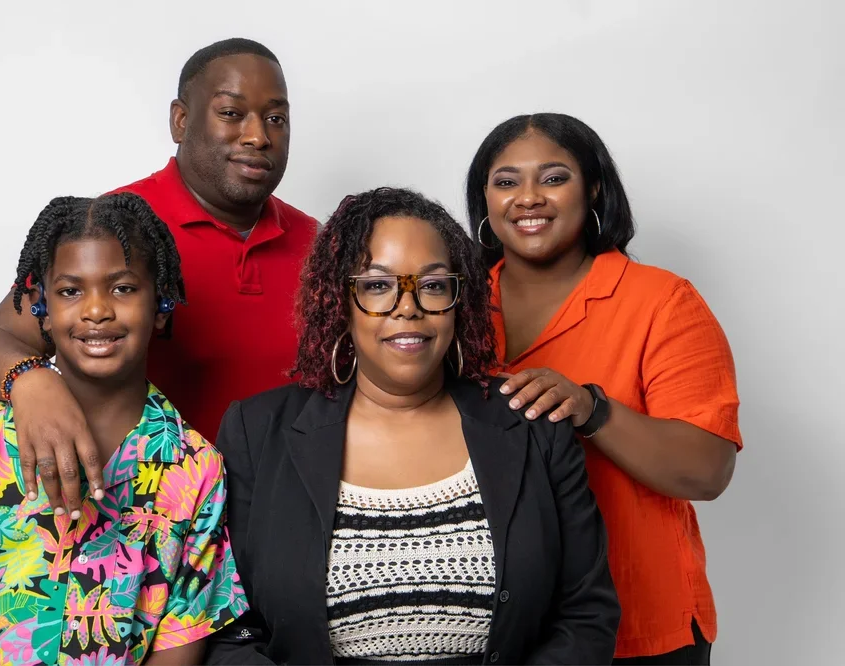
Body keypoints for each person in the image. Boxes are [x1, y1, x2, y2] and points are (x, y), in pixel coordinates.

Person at [205, 187, 620, 665]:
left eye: (434, 284)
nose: (409, 307)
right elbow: (226, 629)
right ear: (340, 300)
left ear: (458, 301)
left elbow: (586, 615)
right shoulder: (258, 433)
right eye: (378, 285)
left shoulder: (531, 424)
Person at [0, 38, 317, 520]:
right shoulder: (120, 235)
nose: (257, 136)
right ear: (181, 121)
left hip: (284, 527)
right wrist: (31, 380)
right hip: (147, 526)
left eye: (275, 118)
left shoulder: (321, 244)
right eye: (232, 113)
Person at [0, 193, 247, 666]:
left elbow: (180, 644)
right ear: (42, 310)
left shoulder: (196, 469)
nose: (96, 310)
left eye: (122, 288)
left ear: (160, 305)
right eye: (71, 291)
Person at [466, 113, 741, 664]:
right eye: (506, 181)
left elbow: (707, 471)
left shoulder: (662, 301)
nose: (528, 198)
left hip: (638, 622)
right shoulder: (452, 305)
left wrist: (592, 410)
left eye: (553, 178)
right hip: (492, 628)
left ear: (593, 187)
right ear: (485, 199)